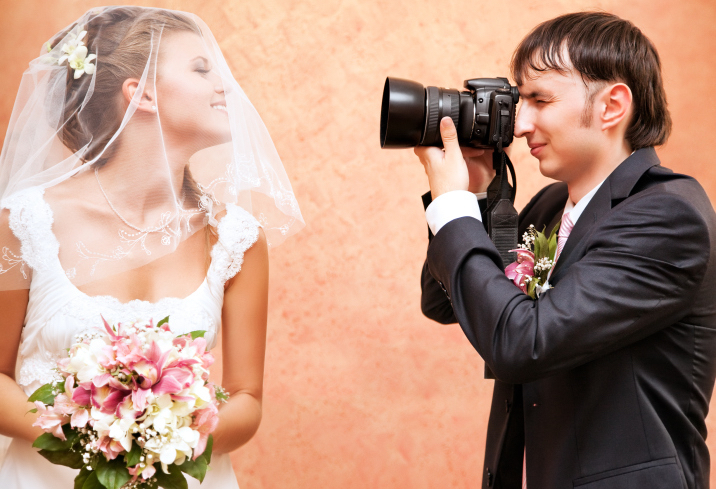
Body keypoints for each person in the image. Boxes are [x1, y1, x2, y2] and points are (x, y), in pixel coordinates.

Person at [0, 6, 303, 488]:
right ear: (140, 94)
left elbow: (247, 397)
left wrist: (169, 433)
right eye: (202, 69)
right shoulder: (26, 222)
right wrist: (93, 433)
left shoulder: (235, 239)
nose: (226, 86)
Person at [416, 12, 716, 489]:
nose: (519, 123)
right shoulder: (554, 204)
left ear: (612, 106)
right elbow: (442, 303)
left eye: (540, 99)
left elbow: (523, 342)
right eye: (520, 99)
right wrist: (475, 197)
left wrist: (452, 212)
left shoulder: (668, 215)